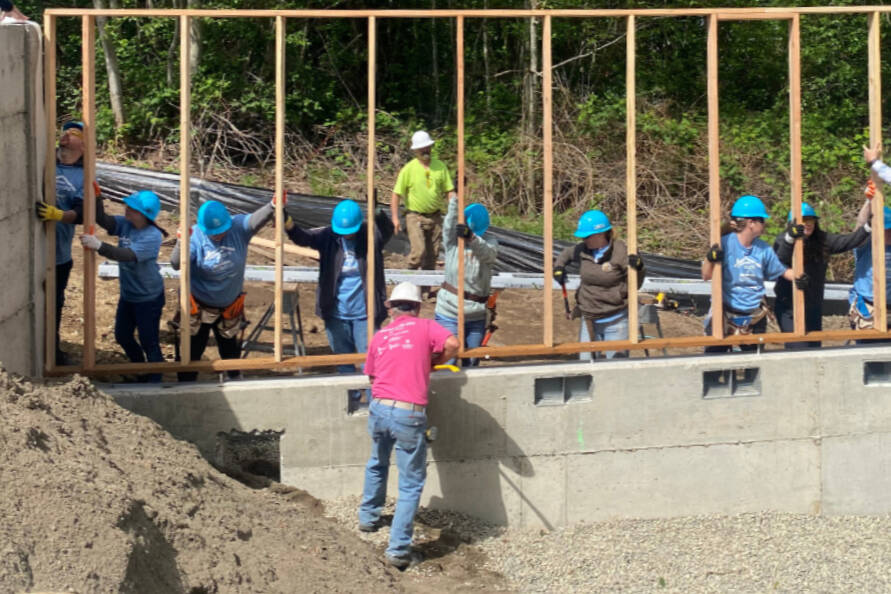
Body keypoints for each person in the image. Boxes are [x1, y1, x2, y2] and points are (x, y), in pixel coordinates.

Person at [357, 281, 459, 569]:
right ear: (417, 307)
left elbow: (372, 377)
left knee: (377, 462)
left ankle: (368, 518)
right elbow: (453, 344)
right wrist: (433, 361)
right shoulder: (425, 327)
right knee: (411, 483)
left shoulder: (380, 336)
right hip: (408, 412)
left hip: (379, 407)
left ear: (392, 309)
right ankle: (398, 550)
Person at [285, 199, 394, 378]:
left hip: (365, 314)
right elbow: (303, 238)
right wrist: (286, 221)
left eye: (350, 232)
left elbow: (388, 229)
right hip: (336, 313)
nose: (346, 235)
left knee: (370, 365)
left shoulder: (370, 236)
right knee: (344, 365)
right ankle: (350, 395)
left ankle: (371, 396)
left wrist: (377, 211)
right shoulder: (328, 237)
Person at [170, 198, 274, 380]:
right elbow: (176, 264)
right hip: (199, 307)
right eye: (213, 233)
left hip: (229, 306)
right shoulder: (194, 236)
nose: (217, 236)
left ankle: (234, 380)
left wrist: (272, 205)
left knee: (230, 352)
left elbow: (256, 220)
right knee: (191, 353)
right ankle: (185, 386)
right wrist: (181, 242)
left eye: (221, 231)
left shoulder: (238, 227)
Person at [702, 194, 807, 352]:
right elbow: (706, 275)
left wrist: (799, 277)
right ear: (751, 223)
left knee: (754, 362)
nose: (764, 224)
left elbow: (783, 271)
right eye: (761, 220)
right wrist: (710, 259)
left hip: (753, 316)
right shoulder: (724, 244)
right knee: (714, 360)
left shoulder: (763, 249)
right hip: (725, 312)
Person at [81, 191, 168, 381]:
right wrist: (96, 196)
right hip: (128, 295)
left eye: (133, 208)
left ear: (144, 215)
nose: (127, 210)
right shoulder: (126, 224)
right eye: (128, 206)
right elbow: (104, 220)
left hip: (148, 298)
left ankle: (155, 380)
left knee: (148, 340)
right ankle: (140, 367)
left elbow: (127, 255)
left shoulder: (152, 236)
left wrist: (100, 246)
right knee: (122, 335)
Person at [773, 197, 870, 349]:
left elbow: (848, 241)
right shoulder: (782, 240)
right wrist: (790, 239)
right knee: (798, 349)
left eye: (811, 220)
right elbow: (779, 261)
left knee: (814, 351)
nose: (808, 223)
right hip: (789, 307)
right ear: (792, 223)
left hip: (813, 307)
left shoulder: (822, 240)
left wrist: (868, 227)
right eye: (803, 220)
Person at [34, 121, 94, 365]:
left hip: (58, 254)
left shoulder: (83, 176)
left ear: (84, 146)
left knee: (54, 302)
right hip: (33, 250)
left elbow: (81, 214)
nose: (67, 135)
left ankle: (52, 351)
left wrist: (57, 215)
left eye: (75, 133)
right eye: (65, 131)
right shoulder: (44, 158)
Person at [552, 209, 645, 359]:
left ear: (601, 234)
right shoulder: (583, 249)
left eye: (587, 236)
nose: (584, 240)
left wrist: (639, 268)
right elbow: (566, 254)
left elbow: (636, 285)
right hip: (589, 317)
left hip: (616, 319)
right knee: (585, 363)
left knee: (616, 366)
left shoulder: (621, 252)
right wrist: (558, 268)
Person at [434, 197, 498, 366]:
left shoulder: (490, 242)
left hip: (476, 314)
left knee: (472, 362)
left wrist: (472, 238)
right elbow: (449, 222)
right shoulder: (453, 241)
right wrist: (455, 198)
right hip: (449, 311)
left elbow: (488, 255)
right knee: (448, 361)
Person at [391, 130, 457, 276]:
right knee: (418, 252)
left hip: (435, 217)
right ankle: (408, 280)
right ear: (415, 150)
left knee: (432, 256)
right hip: (415, 217)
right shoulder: (409, 169)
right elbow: (396, 194)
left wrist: (455, 211)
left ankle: (426, 287)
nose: (425, 150)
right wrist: (395, 218)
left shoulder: (440, 167)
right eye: (421, 148)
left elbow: (449, 191)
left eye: (427, 147)